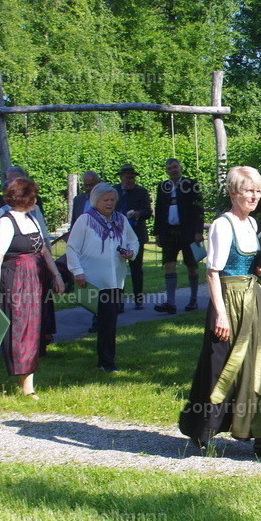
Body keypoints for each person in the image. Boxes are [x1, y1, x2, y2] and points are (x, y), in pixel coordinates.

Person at [178, 166, 261, 459]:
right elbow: (213, 272)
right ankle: (201, 429)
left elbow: (249, 264)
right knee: (218, 365)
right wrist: (220, 314)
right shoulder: (222, 225)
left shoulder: (253, 225)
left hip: (253, 300)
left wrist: (260, 267)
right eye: (248, 191)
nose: (254, 196)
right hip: (228, 300)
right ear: (233, 193)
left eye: (258, 191)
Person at [0, 178, 65, 399]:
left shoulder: (31, 218)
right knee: (21, 328)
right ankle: (26, 386)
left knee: (34, 328)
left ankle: (29, 382)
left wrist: (56, 275)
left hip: (36, 278)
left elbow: (43, 251)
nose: (35, 199)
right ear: (25, 197)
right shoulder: (5, 222)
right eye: (33, 196)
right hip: (17, 280)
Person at [67, 184, 138, 373]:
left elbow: (134, 240)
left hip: (115, 280)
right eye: (105, 200)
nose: (109, 203)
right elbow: (72, 248)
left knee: (109, 321)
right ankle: (106, 362)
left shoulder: (121, 219)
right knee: (106, 321)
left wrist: (131, 252)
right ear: (95, 201)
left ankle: (105, 361)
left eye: (112, 200)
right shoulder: (85, 220)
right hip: (93, 279)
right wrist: (77, 271)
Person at [153, 158, 204, 314]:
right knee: (169, 264)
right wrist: (157, 233)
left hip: (188, 232)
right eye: (169, 168)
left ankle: (193, 300)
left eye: (175, 167)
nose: (173, 170)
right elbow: (159, 209)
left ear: (180, 167)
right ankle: (170, 303)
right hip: (169, 232)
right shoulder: (163, 187)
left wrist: (198, 231)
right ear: (166, 171)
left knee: (191, 266)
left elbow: (198, 209)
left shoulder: (191, 184)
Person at [114, 164, 152, 310]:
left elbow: (148, 212)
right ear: (121, 178)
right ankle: (119, 301)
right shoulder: (114, 191)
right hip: (117, 236)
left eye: (132, 178)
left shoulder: (141, 192)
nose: (130, 181)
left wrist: (139, 213)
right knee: (119, 268)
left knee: (136, 268)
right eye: (127, 178)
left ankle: (138, 299)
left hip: (136, 235)